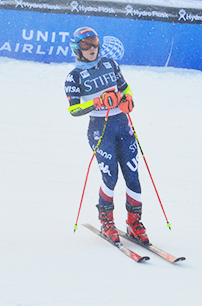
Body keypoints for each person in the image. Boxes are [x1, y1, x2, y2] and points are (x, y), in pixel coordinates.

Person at [65, 27, 148, 245]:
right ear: (77, 48)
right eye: (85, 44)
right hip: (100, 129)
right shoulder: (74, 76)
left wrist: (128, 100)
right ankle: (107, 221)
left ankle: (134, 222)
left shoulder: (110, 64)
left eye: (94, 42)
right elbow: (73, 110)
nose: (92, 48)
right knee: (110, 176)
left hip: (122, 123)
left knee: (132, 174)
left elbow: (125, 88)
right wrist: (97, 102)